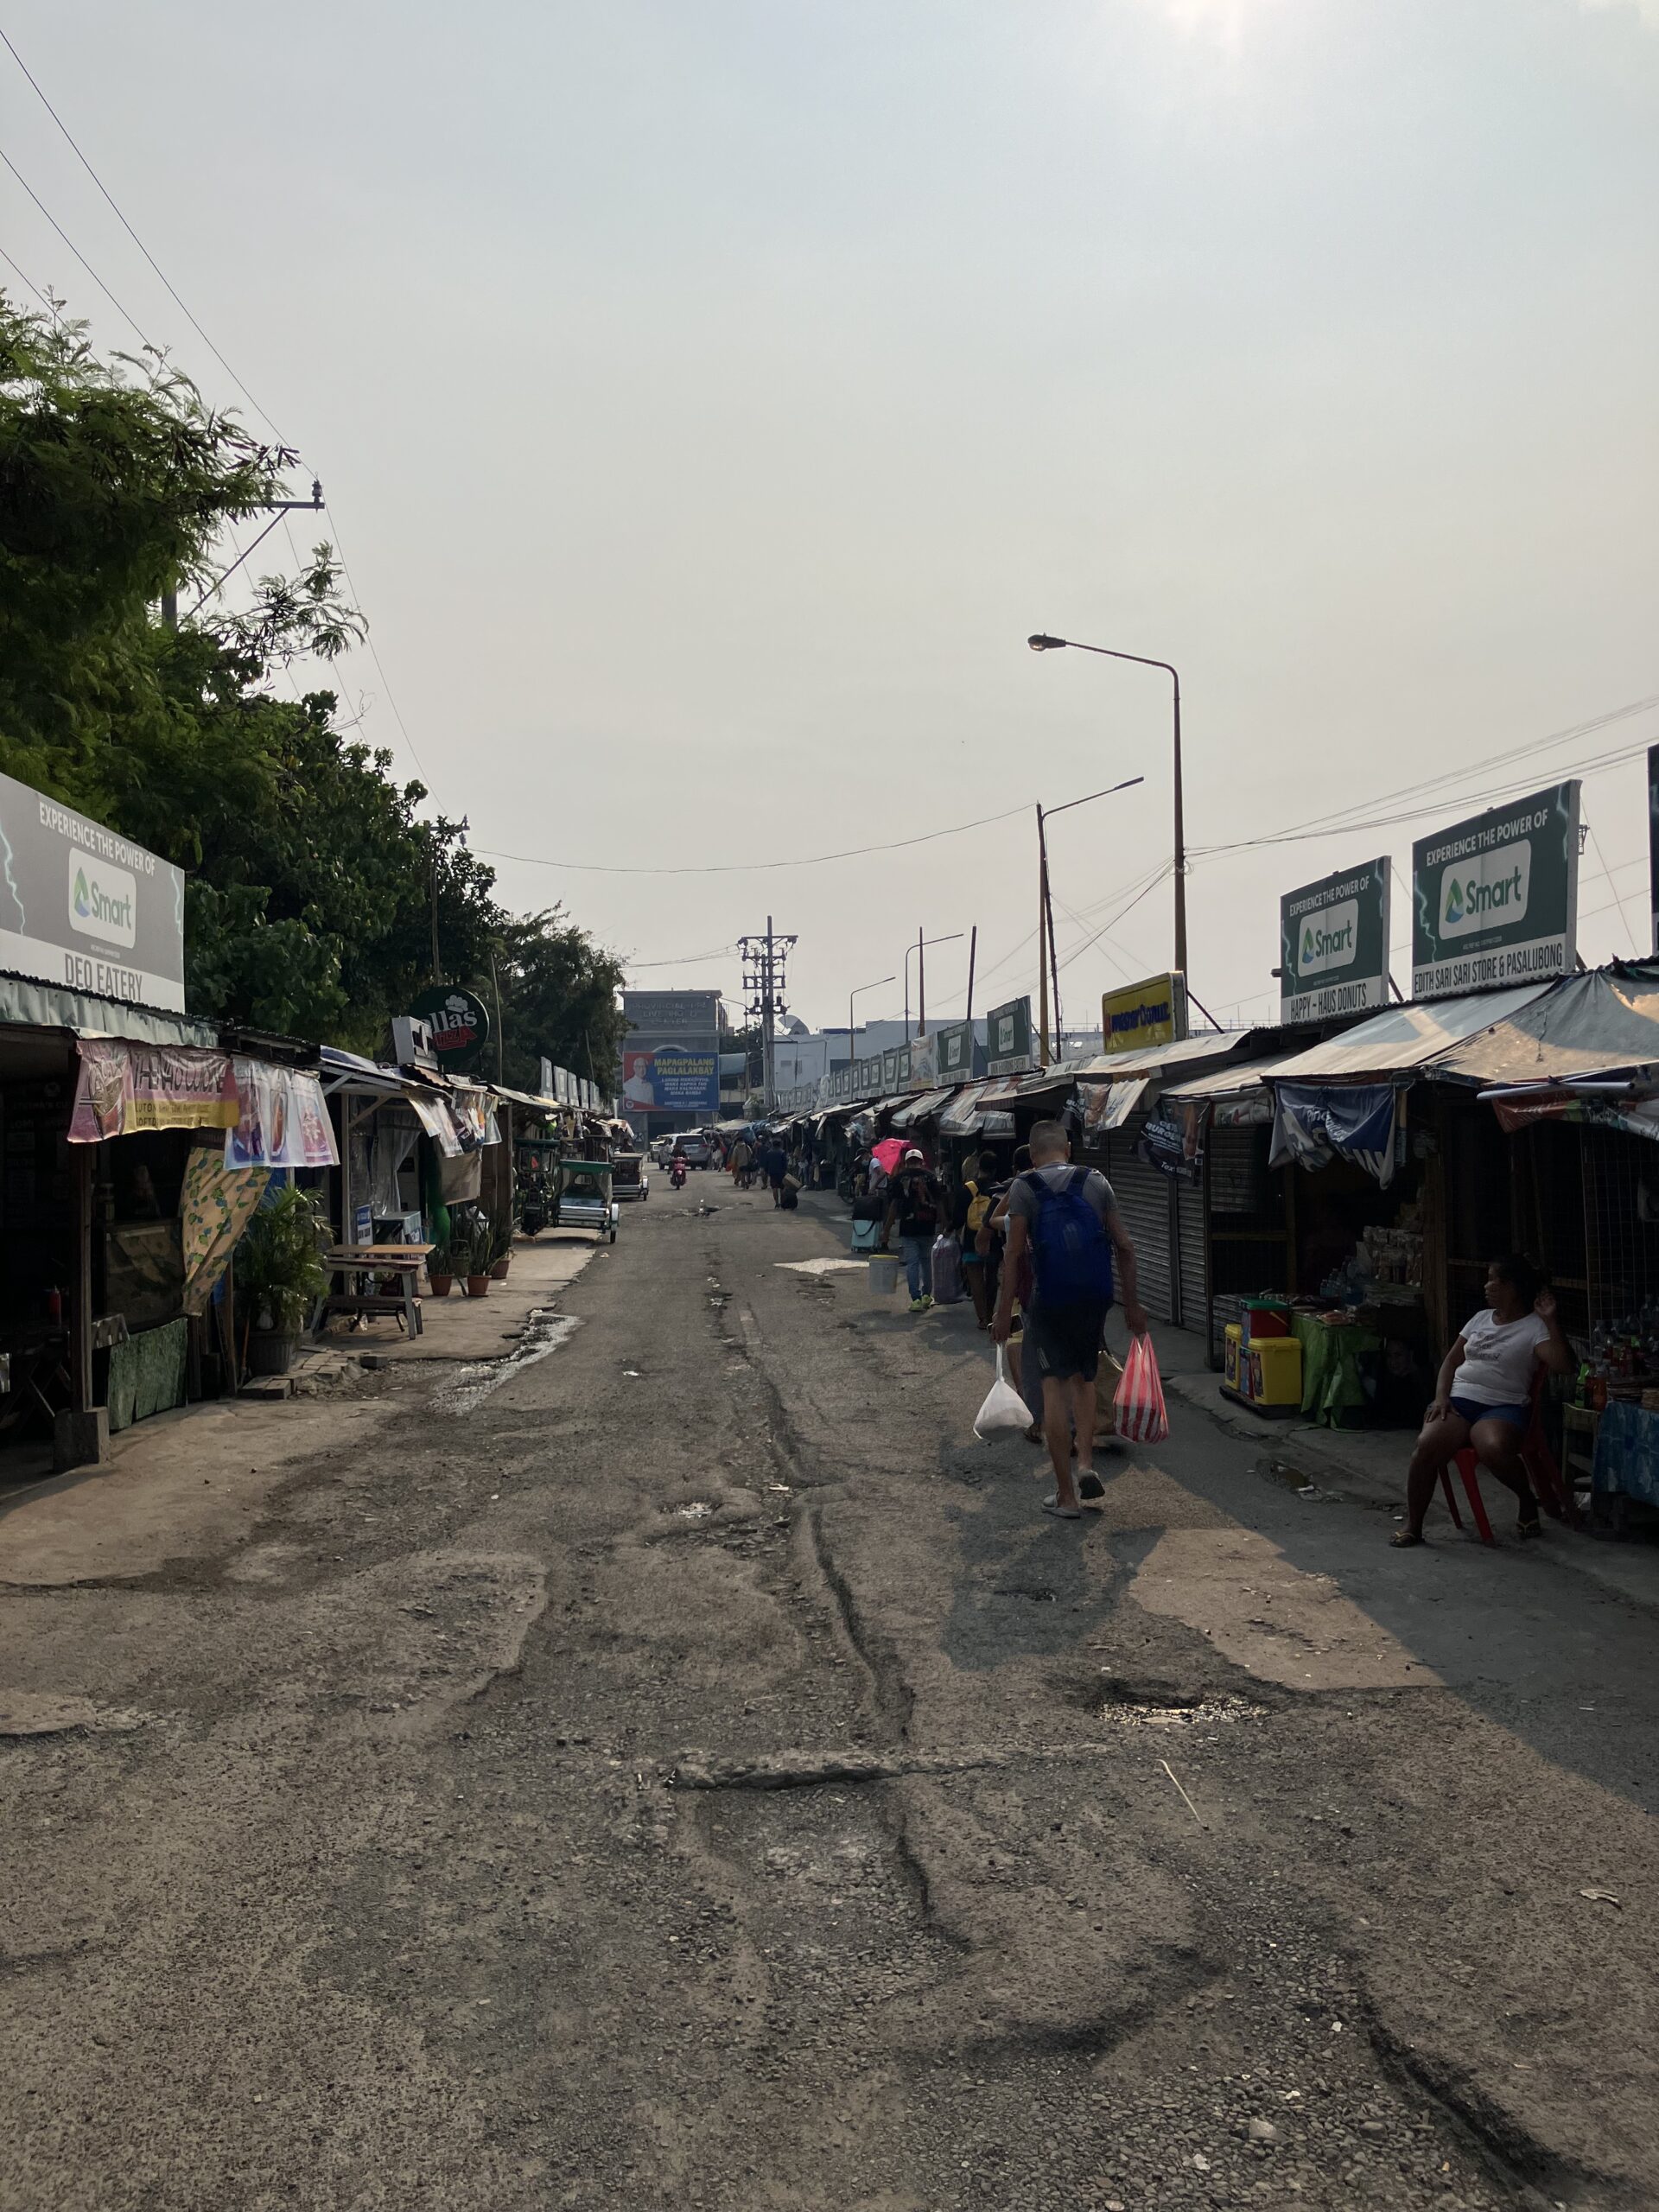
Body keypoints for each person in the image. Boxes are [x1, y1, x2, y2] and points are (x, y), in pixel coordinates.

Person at [993, 1119, 1147, 1520]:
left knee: (1053, 1388)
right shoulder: (1096, 1182)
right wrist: (1132, 1306)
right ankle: (1085, 1465)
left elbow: (1014, 1257)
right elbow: (1126, 1246)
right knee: (1085, 1379)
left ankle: (1066, 1497)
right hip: (1095, 1298)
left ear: (1031, 1153)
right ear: (1069, 1148)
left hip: (1051, 1301)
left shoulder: (1025, 1187)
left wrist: (1001, 1313)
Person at [1392, 1253, 1573, 1547]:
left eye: (1494, 1281)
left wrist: (1551, 1322)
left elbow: (1564, 1366)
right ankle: (1414, 1525)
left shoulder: (1533, 1327)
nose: (1487, 1287)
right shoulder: (1479, 1319)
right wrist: (1440, 1398)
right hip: (1460, 1400)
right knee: (1426, 1446)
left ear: (1513, 1288)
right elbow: (1450, 1363)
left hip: (1504, 1405)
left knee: (1492, 1446)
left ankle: (1527, 1499)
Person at [881, 1147, 943, 1312]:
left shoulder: (899, 1179)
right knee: (926, 1262)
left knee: (912, 1264)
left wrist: (886, 1230)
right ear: (922, 1162)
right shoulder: (930, 1177)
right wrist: (944, 1224)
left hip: (908, 1229)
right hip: (928, 1227)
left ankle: (915, 1299)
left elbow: (894, 1205)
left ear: (906, 1163)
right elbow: (939, 1202)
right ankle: (926, 1296)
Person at [764, 1135, 789, 1208]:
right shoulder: (782, 1152)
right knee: (782, 1188)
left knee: (774, 1188)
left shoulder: (769, 1153)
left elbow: (767, 1163)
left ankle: (777, 1203)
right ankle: (782, 1202)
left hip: (772, 1172)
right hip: (781, 1172)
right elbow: (785, 1163)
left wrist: (766, 1171)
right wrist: (786, 1171)